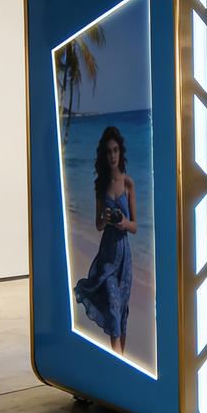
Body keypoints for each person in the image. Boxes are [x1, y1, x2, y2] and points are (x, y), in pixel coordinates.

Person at [74, 126, 137, 355]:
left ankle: (121, 360)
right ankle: (118, 360)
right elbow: (98, 225)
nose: (112, 155)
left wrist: (123, 223)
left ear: (121, 152)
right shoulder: (99, 186)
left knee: (121, 313)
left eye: (115, 150)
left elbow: (134, 226)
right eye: (109, 151)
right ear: (104, 155)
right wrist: (107, 219)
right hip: (107, 255)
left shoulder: (128, 184)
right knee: (112, 307)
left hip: (124, 258)